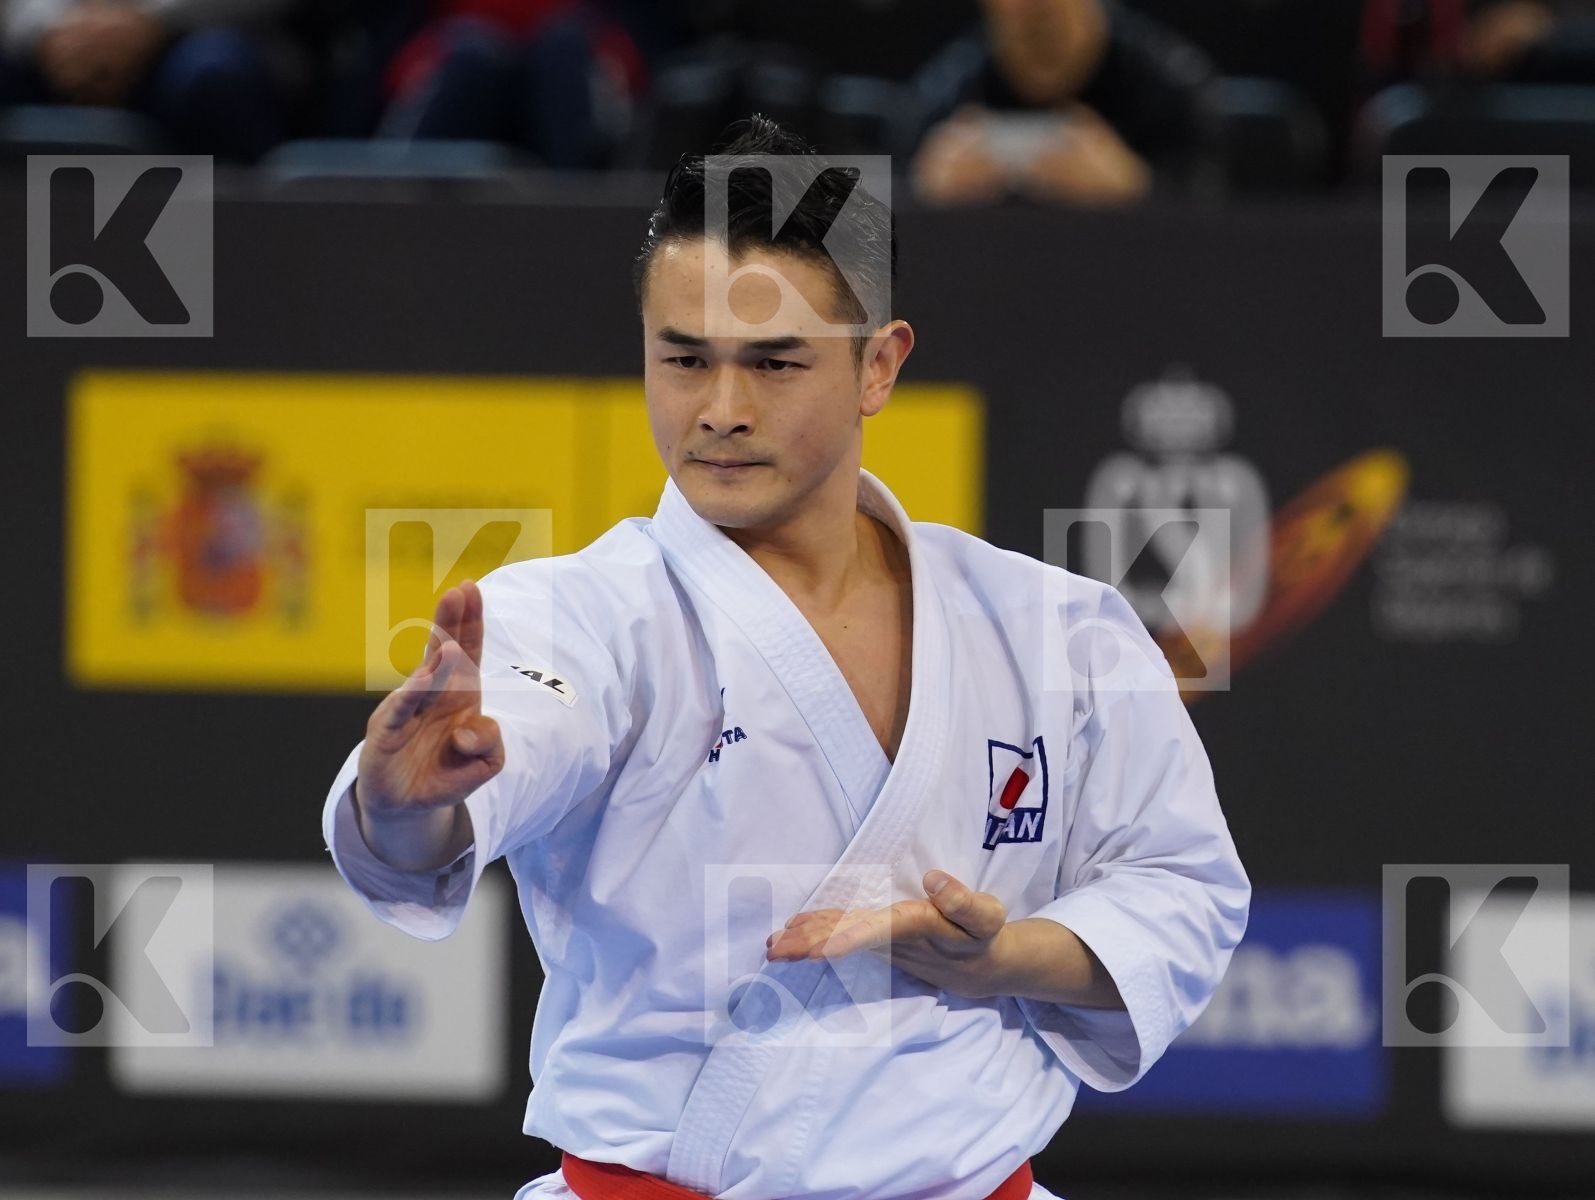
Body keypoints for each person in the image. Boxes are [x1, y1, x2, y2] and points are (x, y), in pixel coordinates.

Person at [321, 115, 1249, 1200]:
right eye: (683, 359)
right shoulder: (583, 614)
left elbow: (1181, 885)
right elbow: (508, 751)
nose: (719, 410)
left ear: (877, 366)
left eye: (772, 363)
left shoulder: (1054, 624)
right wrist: (403, 807)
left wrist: (1005, 959)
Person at [910, 0, 1216, 206]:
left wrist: (1136, 191)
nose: (1036, 6)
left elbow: (1216, 222)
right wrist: (923, 197)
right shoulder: (940, 97)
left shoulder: (1174, 95)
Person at [0, 0, 302, 162]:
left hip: (196, 33)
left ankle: (228, 259)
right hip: (64, 39)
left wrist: (148, 19)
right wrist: (54, 27)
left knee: (216, 77)